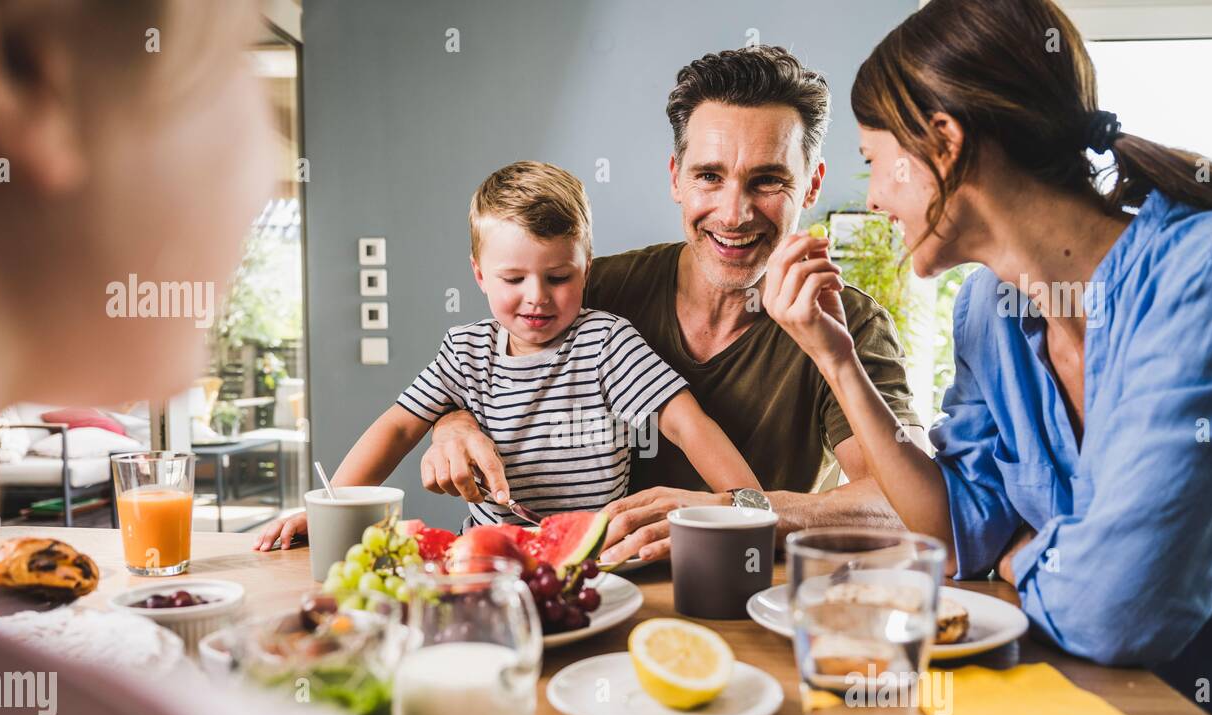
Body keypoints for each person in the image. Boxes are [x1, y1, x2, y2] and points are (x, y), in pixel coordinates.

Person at [0, 0, 870, 715]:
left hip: (677, 625)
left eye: (768, 180)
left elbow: (860, 493)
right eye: (230, 68)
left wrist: (743, 508)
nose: (735, 211)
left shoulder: (655, 321)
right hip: (509, 627)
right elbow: (434, 396)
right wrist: (408, 450)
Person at [764, 0, 1212, 715]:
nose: (872, 199)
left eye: (875, 163)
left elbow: (1123, 609)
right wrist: (835, 357)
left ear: (945, 141)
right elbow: (953, 534)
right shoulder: (991, 310)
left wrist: (1025, 558)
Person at [389, 46, 925, 564]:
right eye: (709, 176)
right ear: (676, 177)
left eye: (768, 180)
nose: (734, 214)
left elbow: (902, 508)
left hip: (751, 596)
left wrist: (732, 511)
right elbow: (489, 363)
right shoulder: (591, 292)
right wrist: (454, 422)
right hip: (595, 593)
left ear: (811, 186)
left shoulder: (849, 323)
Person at [254, 161, 758, 549]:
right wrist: (328, 508)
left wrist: (748, 509)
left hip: (597, 554)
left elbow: (685, 423)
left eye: (558, 277)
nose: (537, 296)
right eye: (513, 279)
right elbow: (398, 427)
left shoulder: (607, 342)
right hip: (488, 554)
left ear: (586, 270)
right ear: (479, 275)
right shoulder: (465, 350)